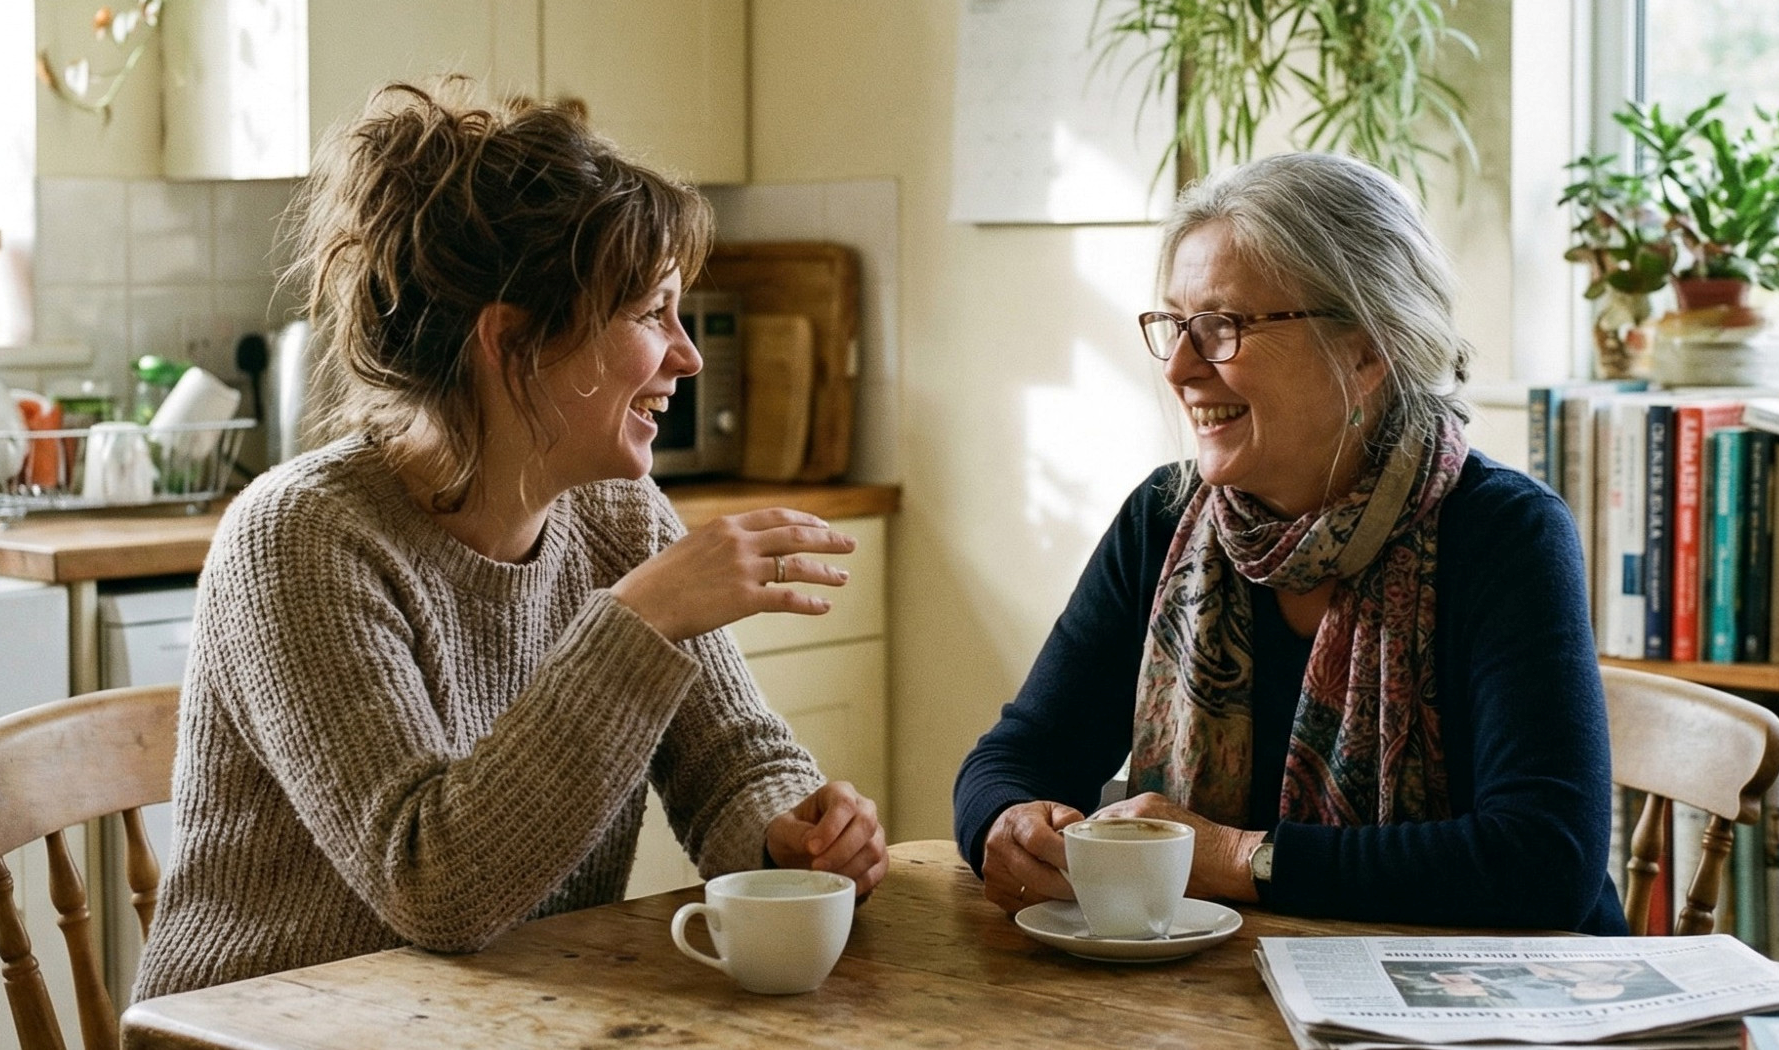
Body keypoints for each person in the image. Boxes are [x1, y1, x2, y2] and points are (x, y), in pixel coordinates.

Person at [134, 82, 887, 999]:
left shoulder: (620, 515)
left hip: (495, 1017)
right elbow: (433, 887)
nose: (686, 355)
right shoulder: (303, 539)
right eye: (651, 314)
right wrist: (638, 620)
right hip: (269, 1024)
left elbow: (732, 762)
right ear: (512, 342)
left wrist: (792, 832)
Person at [952, 152, 1621, 934]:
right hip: (1232, 1001)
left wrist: (1237, 858)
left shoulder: (1505, 534)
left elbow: (1543, 863)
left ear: (1367, 351)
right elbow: (1016, 756)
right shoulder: (1164, 520)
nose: (1178, 367)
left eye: (1223, 327)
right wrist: (1004, 824)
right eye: (1174, 324)